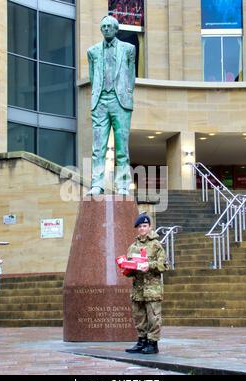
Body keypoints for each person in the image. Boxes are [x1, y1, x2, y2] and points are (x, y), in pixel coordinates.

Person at [87, 15, 136, 196]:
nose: (106, 29)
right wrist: (99, 95)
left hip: (120, 101)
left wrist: (126, 94)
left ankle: (123, 184)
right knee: (98, 147)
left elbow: (131, 76)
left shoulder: (128, 49)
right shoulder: (92, 52)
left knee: (122, 146)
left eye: (109, 26)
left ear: (116, 29)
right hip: (100, 101)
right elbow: (93, 78)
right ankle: (97, 184)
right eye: (103, 27)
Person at [125, 213, 168, 354]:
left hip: (152, 287)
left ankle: (152, 343)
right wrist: (126, 269)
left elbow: (164, 265)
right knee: (139, 316)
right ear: (137, 228)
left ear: (149, 227)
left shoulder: (156, 245)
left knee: (153, 317)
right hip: (138, 288)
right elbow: (130, 267)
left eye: (145, 226)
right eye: (140, 226)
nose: (142, 229)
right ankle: (141, 341)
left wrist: (149, 265)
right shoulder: (133, 247)